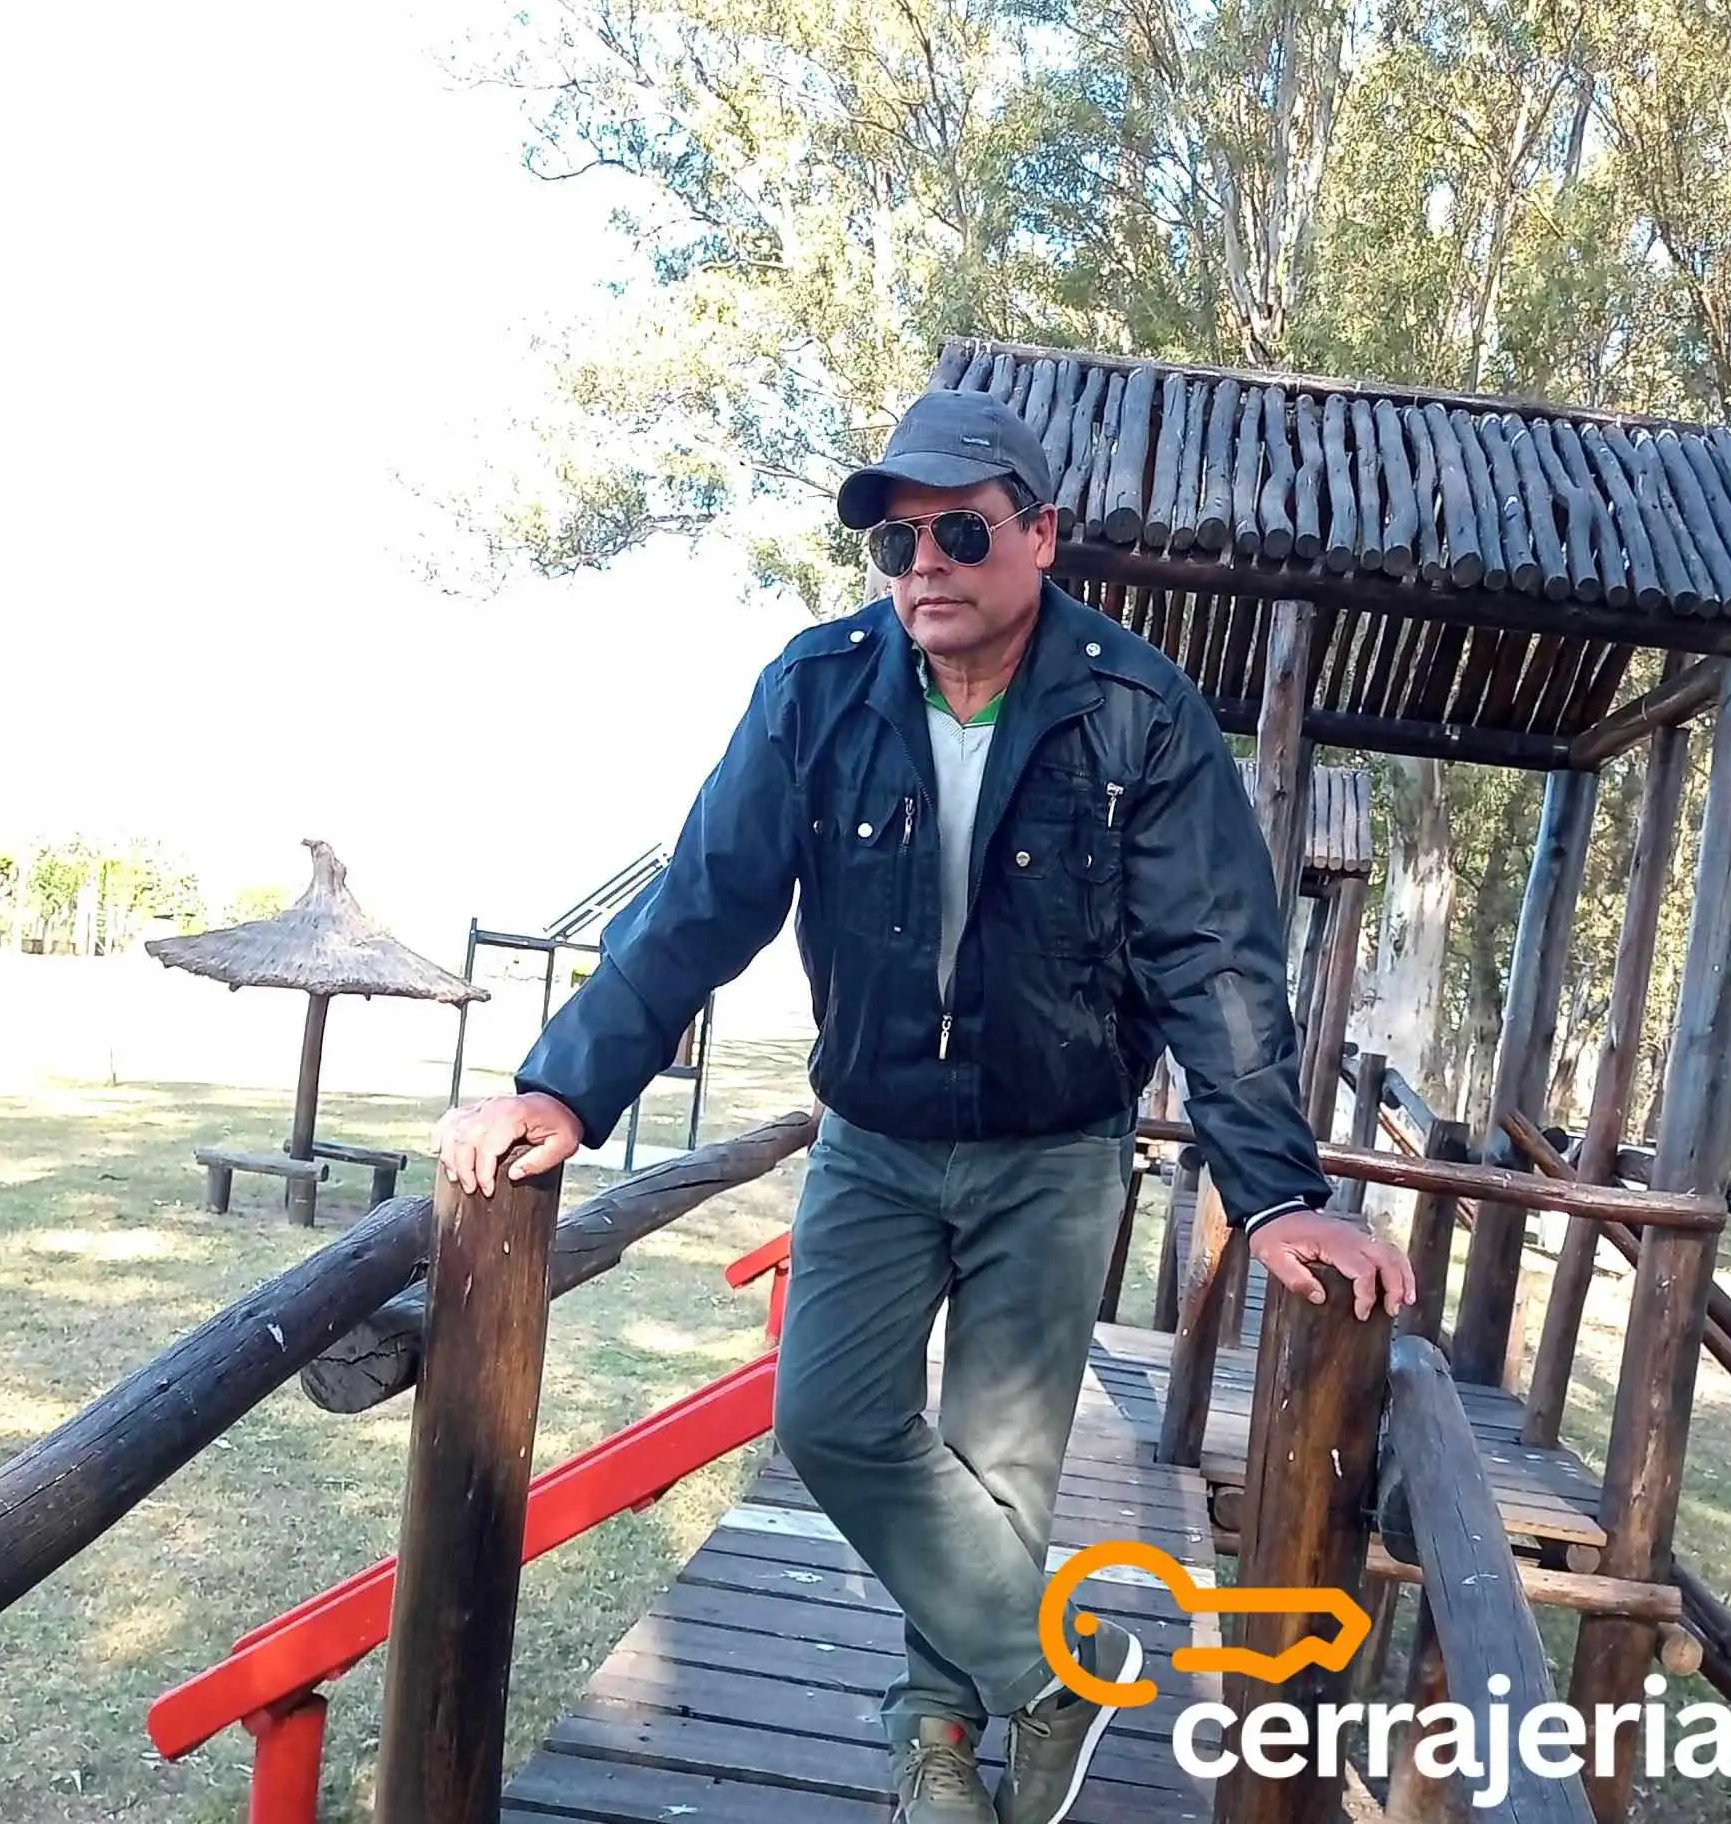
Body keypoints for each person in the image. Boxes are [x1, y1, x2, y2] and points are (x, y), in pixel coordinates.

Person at [435, 386, 1415, 1824]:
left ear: (1041, 535)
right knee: (831, 1417)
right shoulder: (816, 688)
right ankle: (1061, 1672)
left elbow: (1212, 958)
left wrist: (1273, 1191)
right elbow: (704, 898)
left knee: (1001, 1471)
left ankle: (942, 1746)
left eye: (960, 531)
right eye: (896, 544)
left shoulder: (1136, 709)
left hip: (1056, 1150)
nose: (926, 566)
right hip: (875, 1140)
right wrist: (565, 1082)